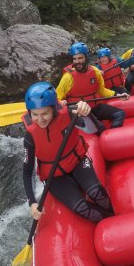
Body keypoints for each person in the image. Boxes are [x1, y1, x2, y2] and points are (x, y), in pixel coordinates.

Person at [22, 82, 113, 222]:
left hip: (77, 162)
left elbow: (94, 130)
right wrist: (32, 202)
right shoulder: (30, 136)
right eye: (35, 114)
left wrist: (87, 114)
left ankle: (113, 213)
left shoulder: (69, 114)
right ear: (29, 113)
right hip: (55, 177)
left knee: (97, 193)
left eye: (45, 113)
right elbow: (27, 172)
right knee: (82, 208)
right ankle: (110, 221)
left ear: (53, 108)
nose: (40, 120)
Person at [57, 42, 129, 128]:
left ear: (86, 58)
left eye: (80, 58)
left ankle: (112, 135)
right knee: (100, 127)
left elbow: (101, 90)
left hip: (95, 107)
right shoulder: (68, 77)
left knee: (120, 113)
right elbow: (57, 97)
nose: (77, 62)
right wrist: (61, 102)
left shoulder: (95, 71)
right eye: (74, 59)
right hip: (81, 112)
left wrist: (117, 95)